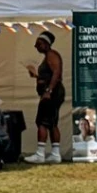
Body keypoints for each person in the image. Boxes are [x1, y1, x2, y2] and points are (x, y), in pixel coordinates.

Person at [25, 31, 65, 164]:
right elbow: (49, 75)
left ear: (47, 44)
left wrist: (48, 90)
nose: (36, 46)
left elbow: (56, 73)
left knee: (42, 122)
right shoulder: (48, 56)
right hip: (53, 92)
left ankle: (40, 154)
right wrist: (37, 77)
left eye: (39, 43)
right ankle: (55, 153)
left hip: (52, 93)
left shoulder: (52, 55)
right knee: (52, 122)